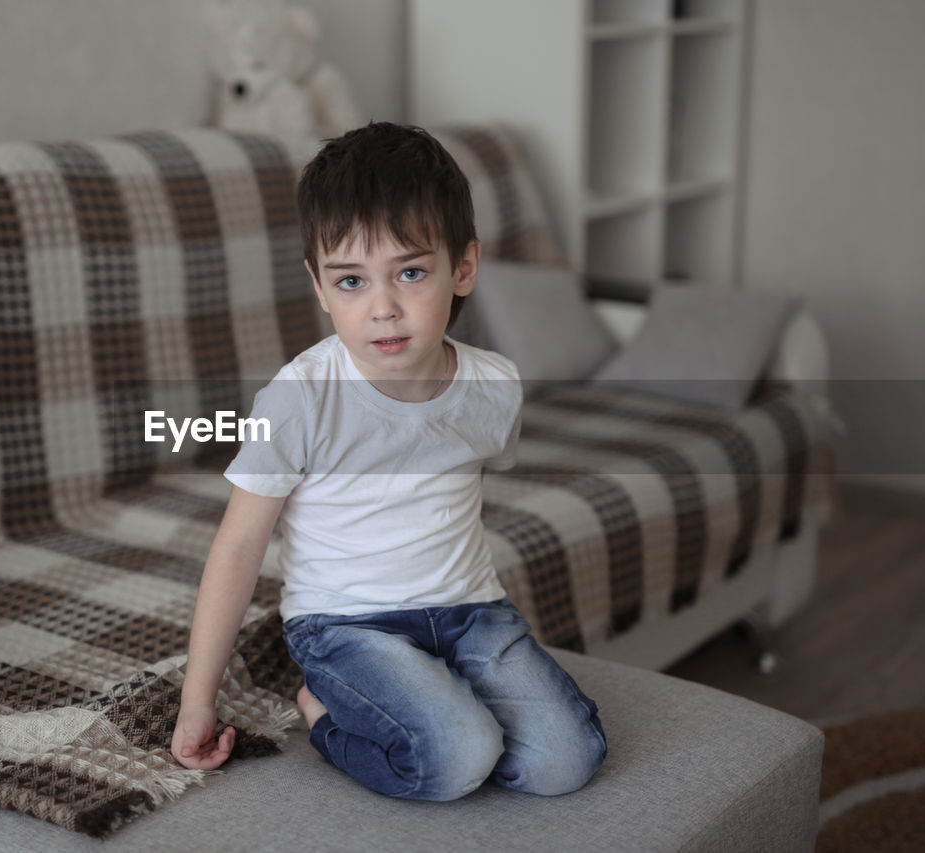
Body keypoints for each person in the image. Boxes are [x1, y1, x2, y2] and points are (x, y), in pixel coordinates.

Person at [170, 122, 606, 800]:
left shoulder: (494, 386)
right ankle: (323, 712)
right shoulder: (301, 397)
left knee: (565, 762)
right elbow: (237, 546)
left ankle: (441, 693)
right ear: (318, 285)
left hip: (469, 611)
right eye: (351, 281)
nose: (383, 308)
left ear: (463, 266)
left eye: (410, 271)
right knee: (460, 755)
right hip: (344, 623)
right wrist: (197, 700)